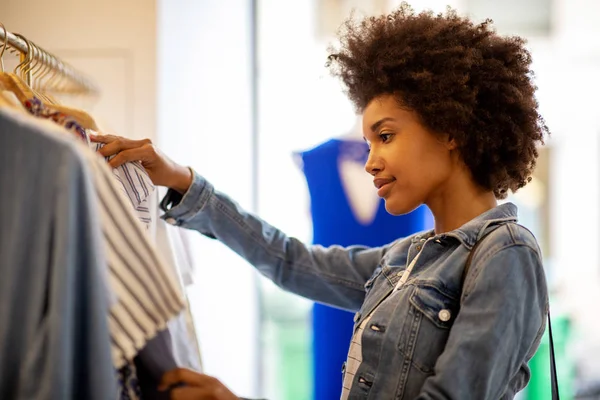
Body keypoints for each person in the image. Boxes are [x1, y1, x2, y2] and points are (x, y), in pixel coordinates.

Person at [91, 3, 550, 399]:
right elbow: (289, 261)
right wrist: (184, 182)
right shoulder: (404, 259)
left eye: (385, 136)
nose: (370, 162)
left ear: (451, 128)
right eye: (369, 143)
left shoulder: (504, 254)